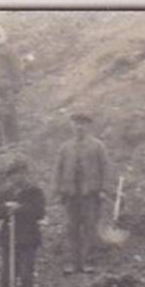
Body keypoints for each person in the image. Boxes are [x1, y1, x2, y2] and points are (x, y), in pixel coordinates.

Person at [53, 113, 110, 275]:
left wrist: (103, 190)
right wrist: (58, 190)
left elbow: (105, 168)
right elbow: (58, 170)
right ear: (71, 126)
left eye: (82, 124)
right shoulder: (65, 147)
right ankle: (72, 262)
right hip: (70, 193)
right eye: (76, 123)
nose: (79, 127)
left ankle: (89, 261)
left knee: (90, 227)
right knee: (71, 228)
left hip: (90, 193)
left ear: (88, 126)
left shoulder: (97, 146)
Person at [0, 159, 46, 287]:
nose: (18, 177)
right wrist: (5, 208)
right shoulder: (5, 193)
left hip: (28, 238)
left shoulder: (34, 192)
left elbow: (39, 212)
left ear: (27, 174)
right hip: (9, 239)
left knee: (26, 274)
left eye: (22, 173)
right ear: (10, 177)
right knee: (7, 276)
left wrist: (20, 209)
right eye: (14, 174)